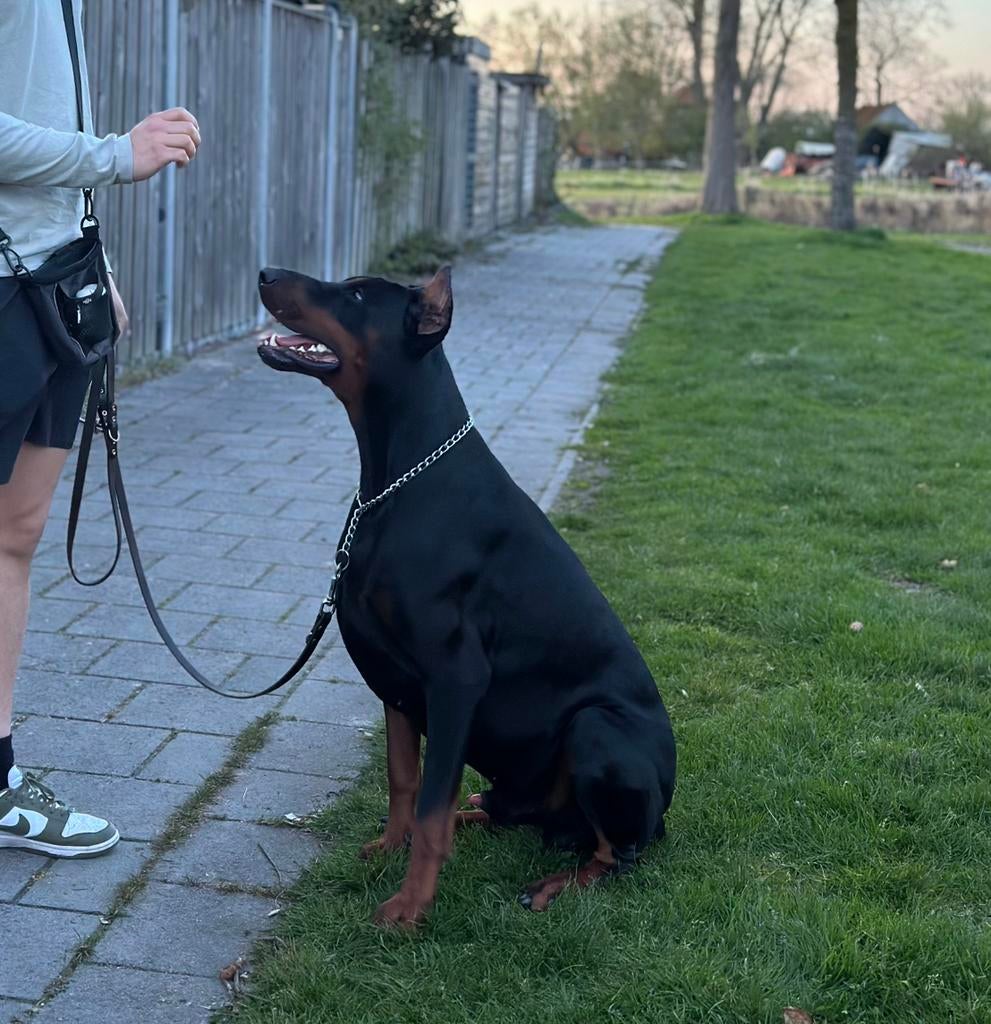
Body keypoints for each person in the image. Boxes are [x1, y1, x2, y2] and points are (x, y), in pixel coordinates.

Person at [0, 1, 200, 858]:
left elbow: (46, 117)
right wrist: (117, 157)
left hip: (57, 287)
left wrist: (95, 258)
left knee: (17, 535)